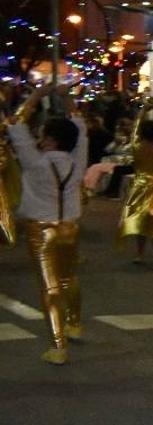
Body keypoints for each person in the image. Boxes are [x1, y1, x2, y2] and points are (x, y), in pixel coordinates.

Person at [4, 83, 87, 364]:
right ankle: (75, 323)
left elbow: (15, 123)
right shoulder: (78, 160)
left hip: (41, 229)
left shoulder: (35, 162)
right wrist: (67, 99)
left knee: (49, 287)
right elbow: (80, 127)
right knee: (69, 278)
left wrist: (36, 96)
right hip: (70, 226)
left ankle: (58, 345)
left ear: (50, 139)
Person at [117, 99, 153, 261]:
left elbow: (134, 129)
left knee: (139, 219)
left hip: (140, 185)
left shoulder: (136, 146)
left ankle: (139, 252)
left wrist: (143, 111)